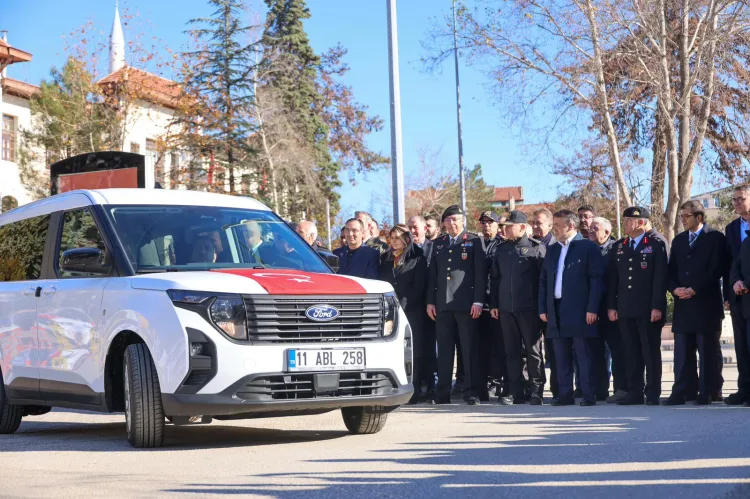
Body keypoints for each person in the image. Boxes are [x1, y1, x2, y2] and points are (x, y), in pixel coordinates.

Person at [539, 209, 604, 406]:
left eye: (558, 225)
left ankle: (588, 394)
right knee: (560, 355)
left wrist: (592, 308)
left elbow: (597, 280)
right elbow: (544, 281)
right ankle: (564, 394)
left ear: (571, 226)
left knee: (583, 355)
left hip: (580, 309)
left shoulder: (587, 248)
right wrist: (543, 308)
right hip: (556, 309)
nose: (555, 229)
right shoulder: (553, 249)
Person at [664, 200, 726, 405]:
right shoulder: (679, 240)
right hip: (683, 304)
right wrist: (674, 289)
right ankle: (683, 391)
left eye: (686, 216)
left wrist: (695, 288)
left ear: (699, 217)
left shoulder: (715, 238)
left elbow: (717, 269)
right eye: (681, 216)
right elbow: (671, 270)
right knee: (682, 351)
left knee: (707, 351)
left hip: (706, 303)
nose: (682, 220)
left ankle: (708, 391)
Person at [607, 207, 668, 405]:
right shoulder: (620, 246)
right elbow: (613, 280)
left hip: (647, 309)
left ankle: (652, 392)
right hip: (625, 308)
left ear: (641, 222)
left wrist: (657, 306)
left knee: (650, 352)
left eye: (628, 221)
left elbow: (660, 279)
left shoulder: (655, 245)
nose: (624, 224)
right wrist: (612, 306)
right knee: (630, 351)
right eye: (624, 220)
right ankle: (635, 392)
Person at [426, 205, 487, 405]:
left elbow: (480, 273)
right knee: (444, 351)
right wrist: (430, 301)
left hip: (466, 304)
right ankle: (442, 393)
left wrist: (478, 300)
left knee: (468, 350)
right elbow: (433, 275)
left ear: (462, 221)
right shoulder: (439, 243)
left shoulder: (474, 241)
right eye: (447, 219)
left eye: (455, 219)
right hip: (443, 305)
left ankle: (471, 392)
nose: (451, 223)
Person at [490, 210, 545, 405]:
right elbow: (495, 279)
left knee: (533, 351)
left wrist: (541, 307)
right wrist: (495, 304)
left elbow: (543, 281)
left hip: (529, 308)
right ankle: (516, 391)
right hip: (506, 308)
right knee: (512, 352)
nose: (505, 229)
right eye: (504, 226)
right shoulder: (501, 249)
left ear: (522, 227)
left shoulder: (536, 248)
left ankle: (536, 390)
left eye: (509, 226)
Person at [378, 225, 428, 404]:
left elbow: (419, 287)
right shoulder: (385, 258)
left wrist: (402, 306)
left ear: (406, 239)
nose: (394, 241)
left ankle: (414, 389)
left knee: (414, 351)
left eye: (397, 237)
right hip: (389, 312)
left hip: (411, 310)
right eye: (391, 237)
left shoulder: (417, 258)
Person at [589, 216, 625, 402]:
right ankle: (599, 389)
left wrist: (613, 305)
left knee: (617, 350)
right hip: (592, 308)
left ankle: (620, 388)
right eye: (590, 228)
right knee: (596, 351)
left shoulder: (617, 249)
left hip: (612, 308)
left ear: (607, 232)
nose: (591, 231)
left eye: (595, 228)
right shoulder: (587, 249)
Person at [478, 210, 508, 399]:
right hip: (479, 302)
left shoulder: (502, 245)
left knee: (499, 346)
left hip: (496, 302)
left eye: (491, 222)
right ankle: (485, 381)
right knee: (483, 346)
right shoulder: (476, 243)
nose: (487, 225)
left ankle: (497, 381)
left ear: (498, 225)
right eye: (484, 222)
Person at [724, 185, 750, 406]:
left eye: (741, 198)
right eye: (734, 200)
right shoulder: (732, 228)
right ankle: (745, 389)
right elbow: (731, 261)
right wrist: (733, 284)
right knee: (741, 345)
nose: (737, 203)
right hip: (738, 294)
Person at [408, 215, 436, 398]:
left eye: (415, 227)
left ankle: (431, 384)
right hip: (413, 306)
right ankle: (417, 384)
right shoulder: (407, 250)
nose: (412, 231)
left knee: (430, 347)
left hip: (431, 305)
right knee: (416, 348)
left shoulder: (434, 247)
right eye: (410, 228)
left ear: (425, 229)